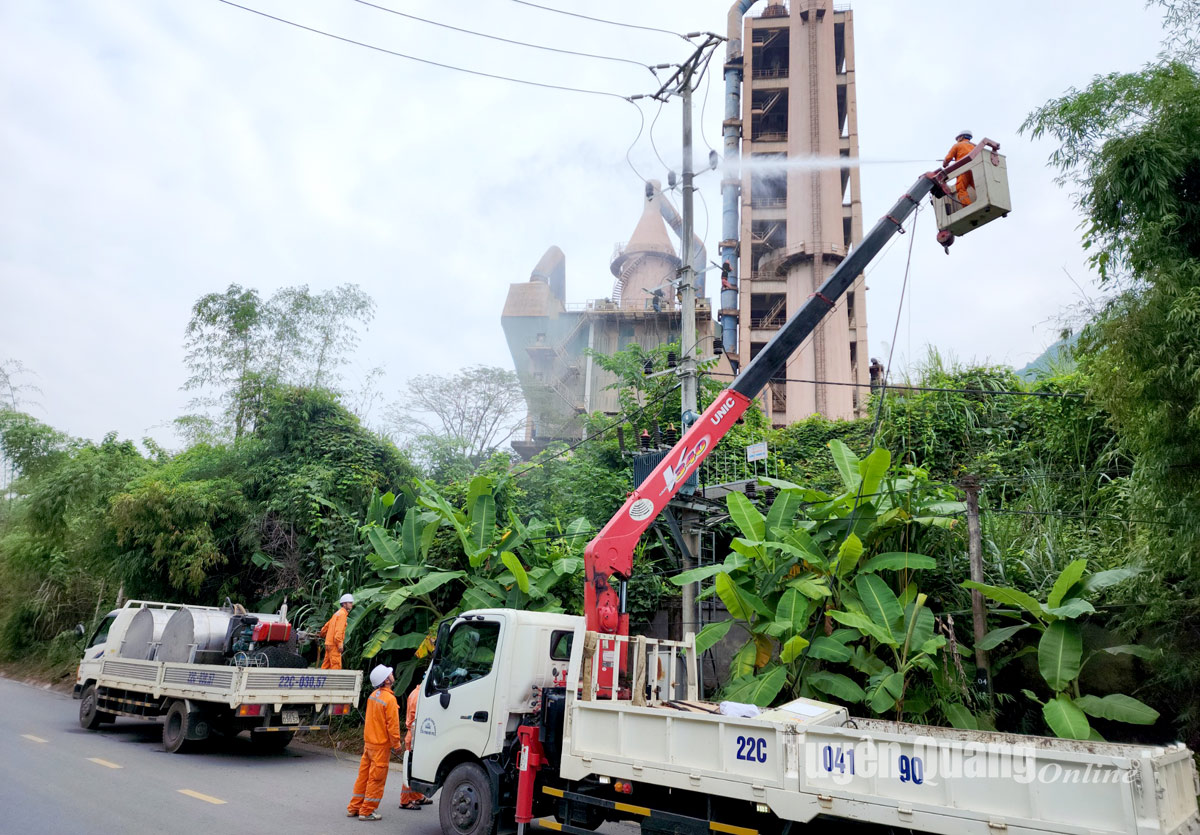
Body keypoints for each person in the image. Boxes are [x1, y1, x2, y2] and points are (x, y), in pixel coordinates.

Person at [347, 664, 403, 821]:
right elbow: (392, 726)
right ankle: (367, 810)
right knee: (376, 780)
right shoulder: (389, 699)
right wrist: (397, 745)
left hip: (369, 745)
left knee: (363, 777)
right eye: (389, 674)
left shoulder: (373, 695)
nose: (392, 674)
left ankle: (354, 807)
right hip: (380, 747)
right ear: (386, 680)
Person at [398, 680, 431, 810]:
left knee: (415, 768)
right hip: (414, 735)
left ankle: (417, 797)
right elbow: (415, 719)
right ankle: (405, 801)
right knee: (410, 770)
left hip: (413, 734)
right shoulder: (419, 697)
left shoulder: (415, 693)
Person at [319, 593, 354, 670]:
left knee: (326, 665)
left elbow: (326, 626)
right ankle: (334, 682)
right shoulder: (342, 615)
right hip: (334, 644)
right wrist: (340, 644)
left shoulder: (337, 613)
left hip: (328, 643)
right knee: (336, 666)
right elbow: (339, 631)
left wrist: (321, 634)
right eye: (350, 603)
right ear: (344, 604)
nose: (352, 604)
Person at [942, 130, 976, 209]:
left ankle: (968, 207)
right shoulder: (974, 146)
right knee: (978, 186)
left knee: (961, 189)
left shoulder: (957, 145)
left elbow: (948, 158)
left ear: (961, 137)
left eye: (958, 138)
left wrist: (945, 163)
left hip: (963, 170)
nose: (957, 140)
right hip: (974, 169)